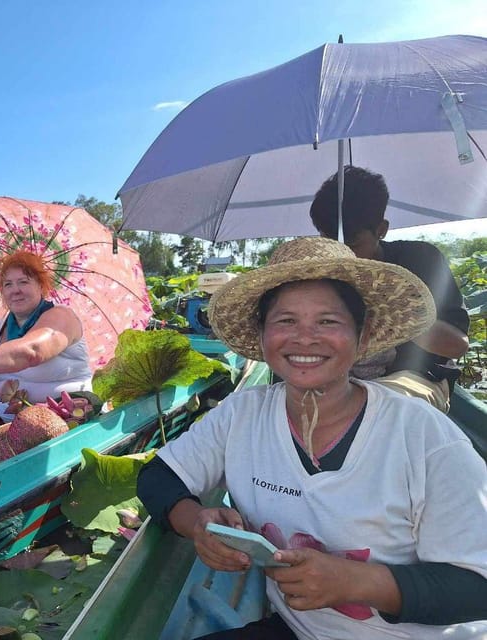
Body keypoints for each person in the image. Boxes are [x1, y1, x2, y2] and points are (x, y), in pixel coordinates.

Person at [138, 237, 487, 639]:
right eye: (286, 321)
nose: (305, 339)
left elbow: (477, 587)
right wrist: (198, 523)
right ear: (264, 335)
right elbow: (158, 477)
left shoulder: (423, 437)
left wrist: (356, 582)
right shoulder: (243, 415)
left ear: (362, 334)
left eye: (328, 322)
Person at [309, 166, 470, 412]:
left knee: (377, 408)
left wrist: (386, 306)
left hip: (417, 380)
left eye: (352, 242)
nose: (341, 252)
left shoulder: (421, 260)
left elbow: (456, 345)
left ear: (381, 230)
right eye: (327, 240)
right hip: (339, 381)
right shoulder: (319, 274)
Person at [0, 250, 92, 445]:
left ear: (41, 286)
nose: (15, 290)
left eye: (23, 282)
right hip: (4, 422)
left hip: (60, 422)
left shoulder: (61, 316)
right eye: (8, 284)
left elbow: (32, 352)